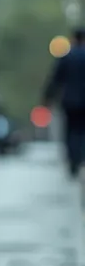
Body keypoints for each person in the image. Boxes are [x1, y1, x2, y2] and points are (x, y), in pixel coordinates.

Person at [44, 27, 85, 176]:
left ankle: (72, 159)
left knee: (70, 130)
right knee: (82, 130)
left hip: (70, 100)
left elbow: (55, 79)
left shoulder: (67, 57)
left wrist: (47, 99)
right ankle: (80, 157)